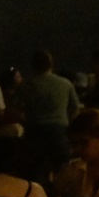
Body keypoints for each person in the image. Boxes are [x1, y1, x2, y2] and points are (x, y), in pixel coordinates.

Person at [20, 50, 82, 183]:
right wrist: (70, 125)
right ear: (51, 65)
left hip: (35, 132)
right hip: (60, 131)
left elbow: (20, 108)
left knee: (35, 172)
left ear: (33, 66)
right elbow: (76, 107)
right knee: (63, 171)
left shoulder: (29, 85)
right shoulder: (65, 83)